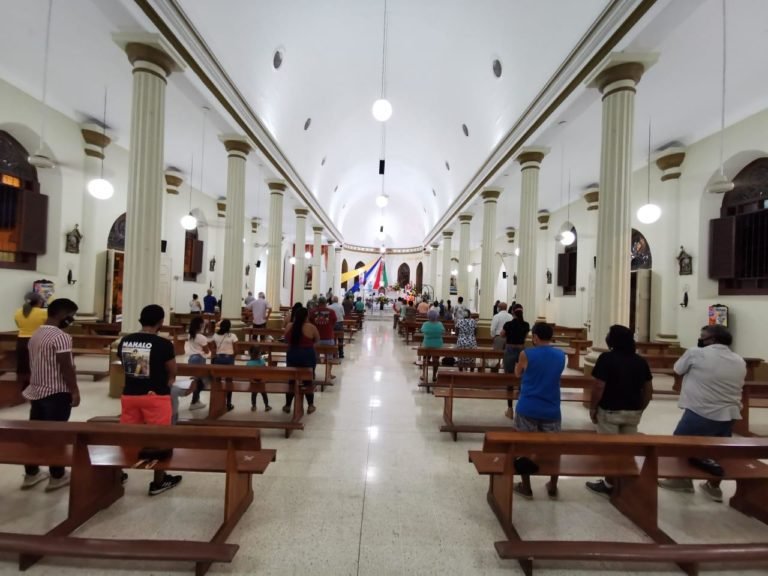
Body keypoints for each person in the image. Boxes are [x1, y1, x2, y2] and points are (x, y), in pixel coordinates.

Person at [658, 324, 746, 502]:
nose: (700, 339)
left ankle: (681, 480)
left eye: (702, 336)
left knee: (680, 443)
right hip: (729, 413)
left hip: (701, 410)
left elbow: (677, 369)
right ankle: (713, 487)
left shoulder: (696, 353)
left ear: (712, 339)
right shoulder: (738, 359)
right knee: (718, 450)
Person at [118, 304, 182, 496]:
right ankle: (158, 482)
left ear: (140, 320)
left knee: (128, 436)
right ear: (161, 322)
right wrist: (169, 381)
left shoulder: (126, 341)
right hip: (155, 397)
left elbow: (126, 366)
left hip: (130, 394)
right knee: (159, 439)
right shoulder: (163, 344)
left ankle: (117, 472)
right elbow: (172, 370)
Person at [585, 325, 653, 497]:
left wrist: (593, 408)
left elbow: (599, 386)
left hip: (610, 411)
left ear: (613, 339)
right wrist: (641, 409)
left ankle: (609, 484)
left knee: (609, 450)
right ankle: (625, 484)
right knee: (627, 449)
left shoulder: (607, 358)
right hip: (633, 412)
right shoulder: (640, 361)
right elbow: (648, 390)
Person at [20, 298, 79, 491]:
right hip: (56, 393)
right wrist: (74, 390)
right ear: (63, 315)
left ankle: (31, 473)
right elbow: (66, 367)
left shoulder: (36, 333)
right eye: (71, 316)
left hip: (37, 391)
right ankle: (57, 475)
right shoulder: (61, 336)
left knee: (35, 435)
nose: (72, 320)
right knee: (57, 436)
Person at [513, 323, 566, 500]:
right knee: (553, 448)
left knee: (524, 449)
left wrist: (518, 367)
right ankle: (553, 485)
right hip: (551, 407)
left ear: (535, 337)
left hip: (528, 406)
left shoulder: (526, 354)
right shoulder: (560, 355)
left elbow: (518, 374)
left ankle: (526, 487)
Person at [282, 307, 319, 414]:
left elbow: (285, 339)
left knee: (291, 380)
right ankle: (311, 405)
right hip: (307, 356)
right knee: (308, 381)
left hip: (292, 355)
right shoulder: (311, 327)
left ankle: (288, 405)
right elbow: (317, 340)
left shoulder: (289, 326)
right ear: (306, 316)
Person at [500, 304, 530, 419]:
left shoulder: (509, 324)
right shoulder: (526, 325)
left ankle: (510, 409)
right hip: (522, 351)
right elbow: (525, 337)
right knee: (522, 378)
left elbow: (502, 335)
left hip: (510, 350)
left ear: (512, 312)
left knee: (509, 378)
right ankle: (521, 408)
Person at [14, 292, 47, 391]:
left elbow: (18, 325)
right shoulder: (43, 312)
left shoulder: (18, 312)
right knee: (39, 365)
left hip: (21, 341)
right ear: (39, 301)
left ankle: (23, 387)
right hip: (37, 341)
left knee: (23, 365)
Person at [212, 319, 239, 411]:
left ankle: (217, 402)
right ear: (229, 327)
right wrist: (231, 358)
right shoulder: (233, 336)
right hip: (229, 359)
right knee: (229, 382)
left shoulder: (215, 335)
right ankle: (228, 403)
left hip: (218, 359)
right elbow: (236, 350)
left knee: (218, 381)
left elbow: (213, 349)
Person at [185, 316, 210, 410]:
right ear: (200, 325)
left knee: (196, 380)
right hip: (199, 359)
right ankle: (194, 402)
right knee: (201, 382)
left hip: (191, 359)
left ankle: (196, 400)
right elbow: (207, 351)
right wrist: (210, 353)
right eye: (203, 323)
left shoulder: (190, 334)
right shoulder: (202, 338)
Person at [421, 308, 445, 382]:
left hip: (427, 345)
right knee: (436, 360)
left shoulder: (425, 324)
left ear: (428, 316)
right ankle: (434, 375)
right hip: (438, 345)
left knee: (425, 359)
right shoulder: (440, 324)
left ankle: (424, 374)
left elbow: (422, 331)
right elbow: (443, 332)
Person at [246, 345, 271, 412]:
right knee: (264, 393)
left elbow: (248, 374)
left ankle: (254, 406)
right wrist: (264, 379)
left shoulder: (249, 363)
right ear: (259, 354)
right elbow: (266, 371)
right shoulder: (262, 361)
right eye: (259, 353)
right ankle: (267, 406)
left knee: (254, 394)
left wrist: (251, 380)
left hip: (253, 381)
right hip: (261, 380)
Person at [454, 308, 476, 372]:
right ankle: (471, 372)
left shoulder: (459, 321)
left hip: (461, 341)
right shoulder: (473, 321)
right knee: (472, 356)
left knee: (461, 357)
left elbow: (456, 333)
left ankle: (461, 372)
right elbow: (475, 333)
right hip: (471, 341)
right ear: (469, 315)